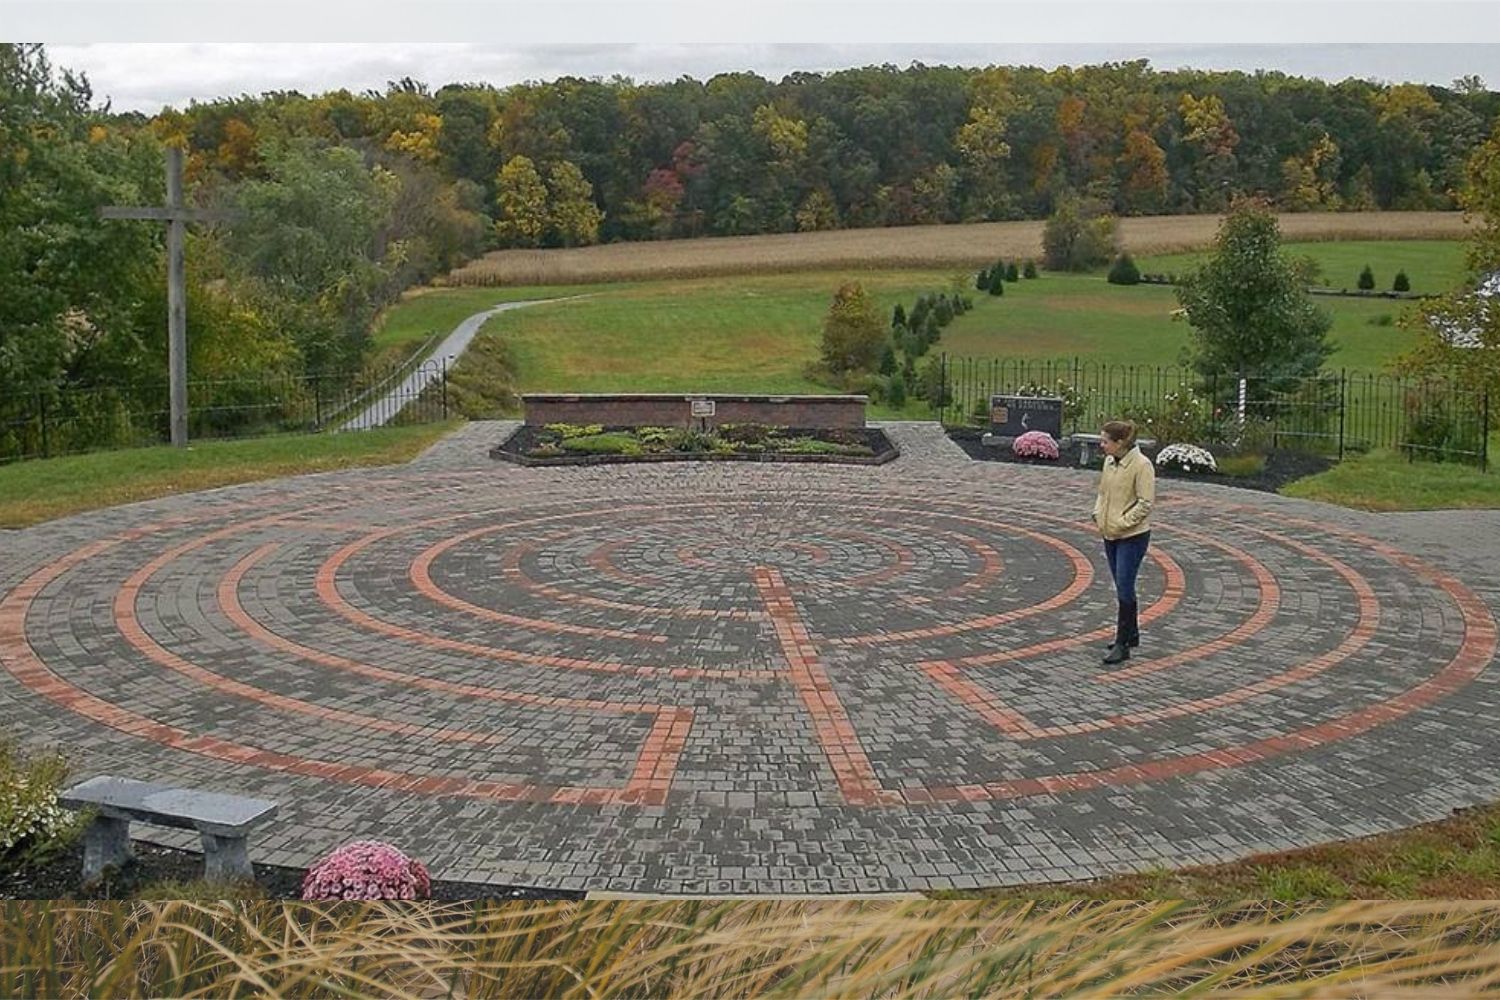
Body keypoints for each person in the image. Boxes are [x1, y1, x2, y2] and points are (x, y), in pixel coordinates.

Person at [1092, 420, 1155, 665]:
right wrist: (1098, 514)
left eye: (1105, 441)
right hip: (1110, 534)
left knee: (1125, 587)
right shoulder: (1109, 462)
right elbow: (1102, 493)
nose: (1102, 444)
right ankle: (1132, 633)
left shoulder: (1141, 465)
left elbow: (1145, 503)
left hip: (1132, 536)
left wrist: (1121, 522)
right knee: (1121, 585)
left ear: (1119, 443)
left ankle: (1122, 644)